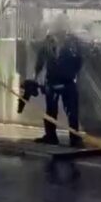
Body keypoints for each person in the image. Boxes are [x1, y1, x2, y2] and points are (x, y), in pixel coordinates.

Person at [33, 14, 85, 147]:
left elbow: (79, 59)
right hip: (54, 80)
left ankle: (73, 138)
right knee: (52, 110)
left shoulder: (72, 41)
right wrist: (37, 76)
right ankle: (52, 136)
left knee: (71, 112)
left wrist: (74, 74)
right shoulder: (50, 40)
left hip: (67, 80)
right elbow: (41, 60)